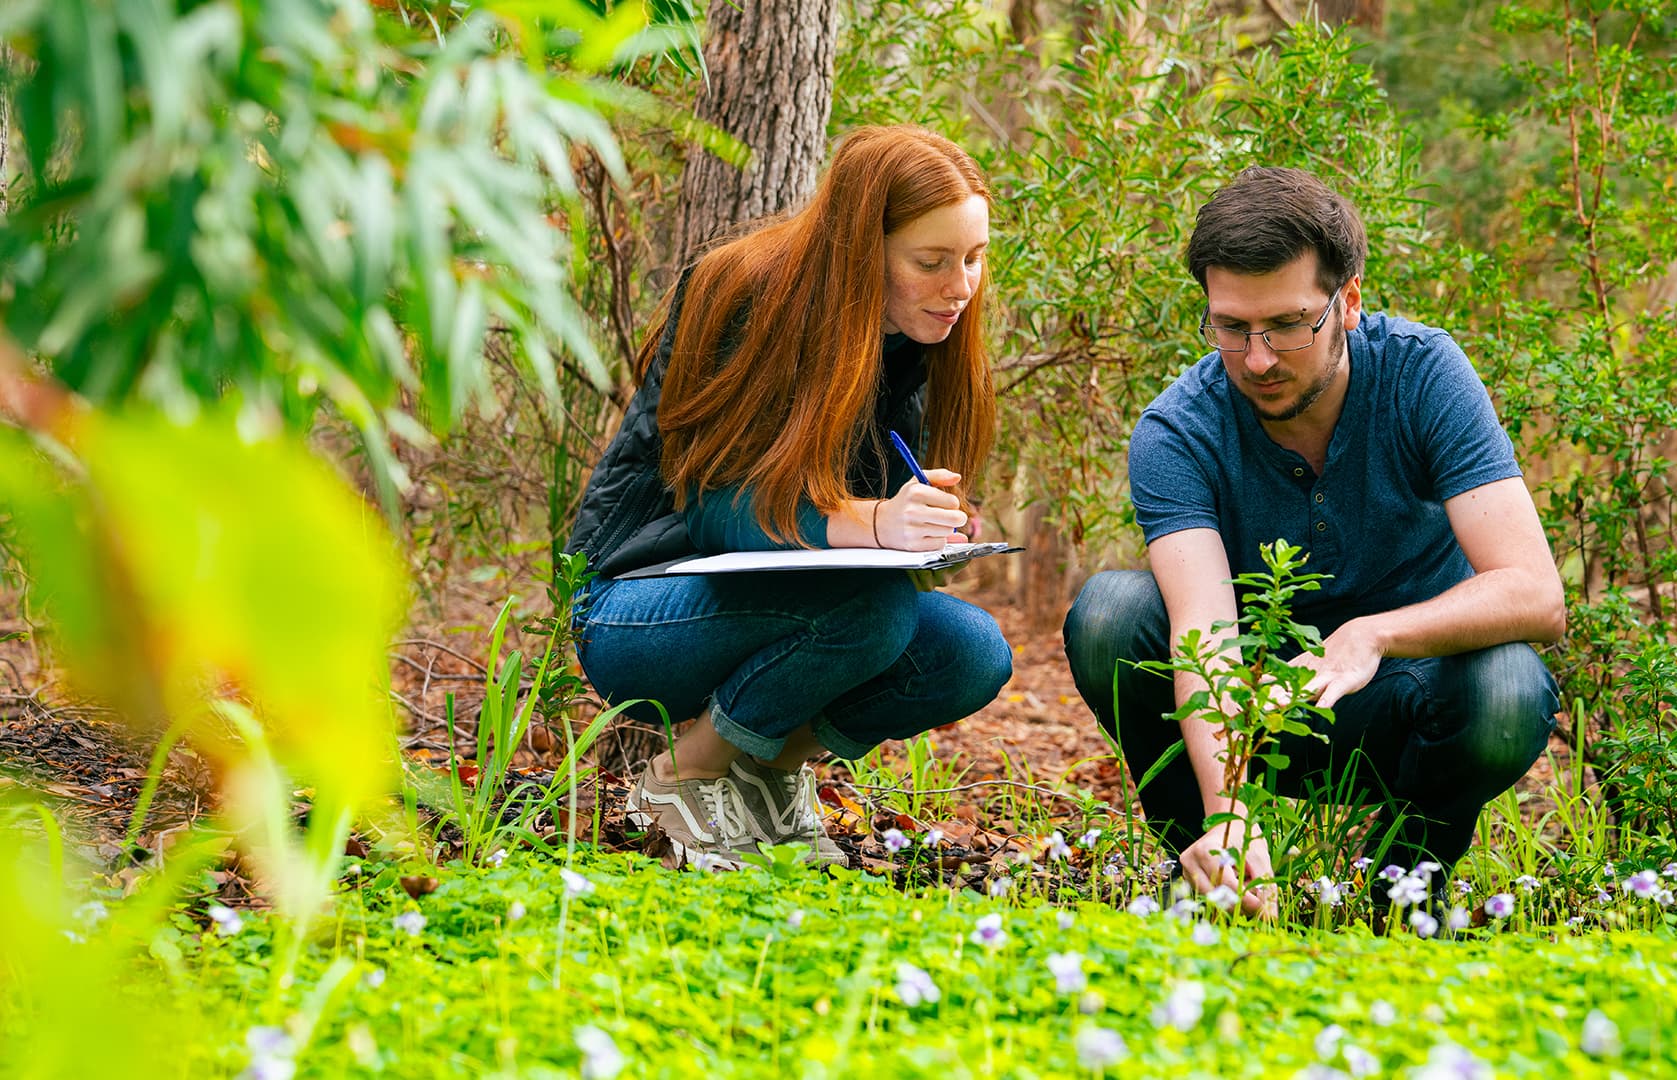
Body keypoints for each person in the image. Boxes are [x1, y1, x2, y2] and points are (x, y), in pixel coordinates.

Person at [1062, 167, 1564, 919]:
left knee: (1507, 688)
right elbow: (1205, 633)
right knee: (1109, 613)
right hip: (1252, 705)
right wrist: (1229, 809)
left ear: (1348, 302)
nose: (1258, 358)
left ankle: (1404, 896)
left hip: (1405, 699)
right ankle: (1215, 874)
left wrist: (1372, 636)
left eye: (1289, 325)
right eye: (1232, 328)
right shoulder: (1177, 429)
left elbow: (1535, 590)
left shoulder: (1424, 374)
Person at [567, 126, 1014, 868]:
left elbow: (858, 537)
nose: (960, 287)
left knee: (971, 652)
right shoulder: (740, 294)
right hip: (631, 606)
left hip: (789, 604)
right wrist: (873, 520)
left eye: (973, 258)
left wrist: (927, 527)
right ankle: (683, 774)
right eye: (931, 262)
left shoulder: (916, 338)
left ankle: (761, 772)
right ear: (861, 249)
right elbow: (711, 512)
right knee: (873, 610)